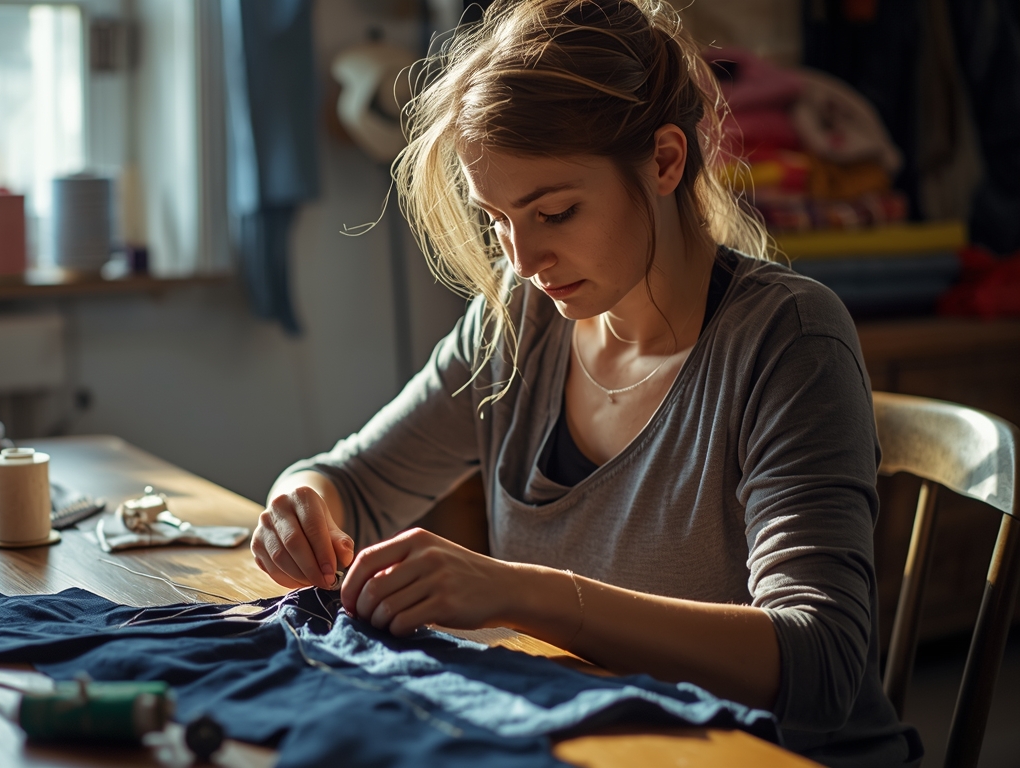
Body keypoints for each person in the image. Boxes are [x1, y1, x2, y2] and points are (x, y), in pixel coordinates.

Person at [250, 1, 921, 765]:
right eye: (497, 219)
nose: (523, 259)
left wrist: (523, 592)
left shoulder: (789, 340)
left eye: (556, 212)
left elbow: (820, 663)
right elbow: (354, 481)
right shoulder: (517, 323)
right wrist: (301, 503)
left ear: (665, 161)